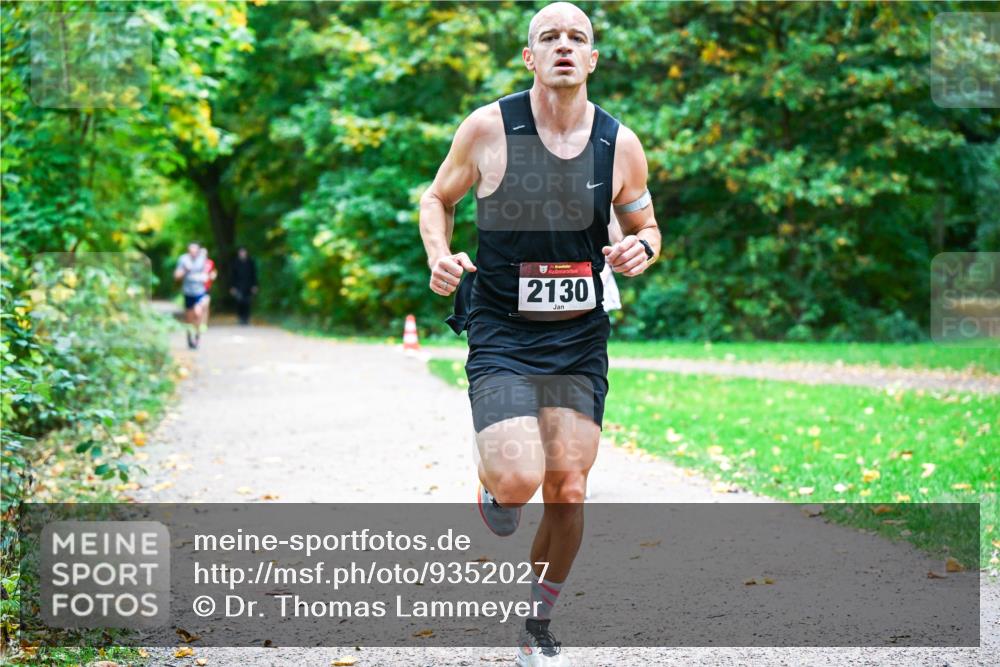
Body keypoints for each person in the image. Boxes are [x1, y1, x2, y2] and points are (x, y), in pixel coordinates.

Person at [418, 3, 660, 664]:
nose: (563, 46)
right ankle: (493, 485)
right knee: (519, 481)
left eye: (577, 37)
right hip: (502, 331)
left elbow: (646, 225)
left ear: (592, 59)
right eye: (549, 37)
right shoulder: (488, 128)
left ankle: (537, 622)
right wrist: (439, 254)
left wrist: (642, 248)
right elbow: (436, 198)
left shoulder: (619, 143)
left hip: (578, 339)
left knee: (570, 487)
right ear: (530, 56)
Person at [173, 242, 215, 350]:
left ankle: (197, 337)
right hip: (188, 292)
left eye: (195, 251)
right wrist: (185, 270)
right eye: (191, 251)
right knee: (189, 318)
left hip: (200, 291)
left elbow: (210, 272)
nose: (193, 253)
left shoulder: (203, 259)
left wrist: (208, 277)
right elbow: (176, 276)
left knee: (198, 313)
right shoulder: (183, 260)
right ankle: (189, 336)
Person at [229, 246, 258, 325]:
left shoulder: (250, 262)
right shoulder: (235, 263)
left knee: (247, 303)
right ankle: (240, 318)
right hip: (238, 286)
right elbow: (232, 276)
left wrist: (255, 285)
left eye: (244, 252)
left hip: (248, 286)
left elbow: (254, 274)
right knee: (239, 302)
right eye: (241, 252)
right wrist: (232, 287)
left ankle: (246, 318)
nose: (242, 253)